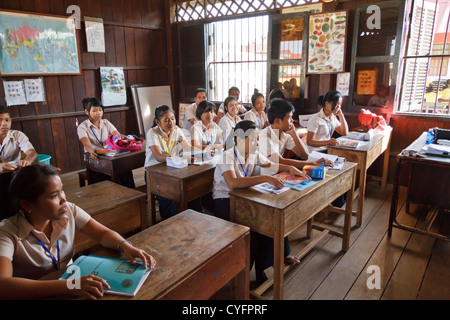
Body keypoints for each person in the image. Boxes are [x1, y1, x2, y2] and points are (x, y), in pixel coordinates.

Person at [0, 164, 156, 300]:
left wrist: (125, 245)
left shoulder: (68, 210)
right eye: (54, 195)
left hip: (73, 285)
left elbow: (101, 234)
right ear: (27, 204)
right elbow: (3, 285)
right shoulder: (7, 233)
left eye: (62, 190)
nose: (63, 199)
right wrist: (68, 285)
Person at [212, 120, 304, 285]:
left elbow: (272, 164)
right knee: (258, 227)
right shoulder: (226, 156)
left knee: (273, 218)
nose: (257, 143)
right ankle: (245, 275)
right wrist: (265, 178)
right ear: (239, 139)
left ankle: (270, 263)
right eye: (253, 139)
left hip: (246, 197)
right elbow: (232, 183)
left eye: (257, 139)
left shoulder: (253, 153)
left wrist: (289, 169)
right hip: (226, 200)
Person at [145, 105, 193, 220]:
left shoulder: (176, 129)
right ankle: (174, 221)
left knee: (189, 188)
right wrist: (176, 156)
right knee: (168, 196)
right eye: (166, 120)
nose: (171, 122)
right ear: (157, 121)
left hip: (171, 168)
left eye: (172, 119)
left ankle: (189, 216)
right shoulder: (152, 133)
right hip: (154, 173)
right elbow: (158, 156)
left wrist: (202, 152)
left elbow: (188, 147)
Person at [77, 97, 135, 188]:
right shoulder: (82, 127)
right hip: (95, 157)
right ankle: (118, 195)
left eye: (100, 110)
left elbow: (116, 135)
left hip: (109, 154)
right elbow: (86, 143)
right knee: (111, 175)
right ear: (87, 112)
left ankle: (132, 195)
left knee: (125, 169)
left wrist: (123, 137)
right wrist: (91, 151)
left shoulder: (106, 123)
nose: (98, 113)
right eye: (95, 111)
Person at [259, 98, 311, 164]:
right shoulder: (264, 135)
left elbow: (304, 156)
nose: (292, 121)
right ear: (277, 121)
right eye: (290, 117)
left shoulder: (285, 134)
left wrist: (294, 134)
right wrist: (310, 163)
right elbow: (279, 161)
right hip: (264, 173)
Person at [0, 105, 38, 173]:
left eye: (7, 120)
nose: (4, 124)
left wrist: (27, 161)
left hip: (14, 173)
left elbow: (32, 153)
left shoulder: (17, 135)